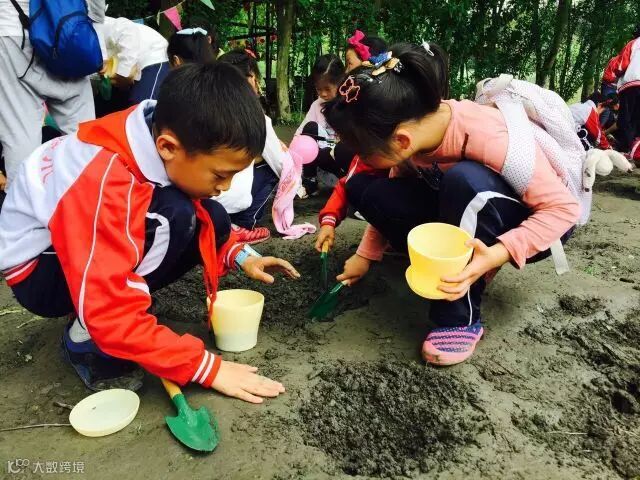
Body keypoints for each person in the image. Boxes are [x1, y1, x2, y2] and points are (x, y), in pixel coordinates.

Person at [0, 63, 300, 403]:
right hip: (39, 272)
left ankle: (120, 308)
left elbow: (205, 216)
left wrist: (239, 254)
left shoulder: (158, 127)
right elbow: (108, 302)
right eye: (220, 175)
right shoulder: (105, 180)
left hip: (70, 246)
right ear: (168, 146)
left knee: (211, 214)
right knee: (175, 216)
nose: (226, 187)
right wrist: (206, 367)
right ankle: (85, 336)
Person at [323, 42, 580, 366]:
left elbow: (563, 210)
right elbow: (396, 187)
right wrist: (365, 255)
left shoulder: (490, 135)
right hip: (459, 204)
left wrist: (496, 254)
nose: (359, 157)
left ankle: (458, 316)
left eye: (362, 150)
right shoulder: (410, 136)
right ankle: (436, 259)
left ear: (401, 140)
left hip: (531, 221)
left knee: (464, 181)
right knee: (365, 188)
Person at [0, 0, 104, 188]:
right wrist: (98, 42)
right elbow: (96, 5)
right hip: (67, 33)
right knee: (84, 134)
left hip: (13, 31)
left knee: (20, 135)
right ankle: (89, 194)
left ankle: (22, 200)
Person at [217, 49, 292, 243]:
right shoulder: (256, 118)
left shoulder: (207, 109)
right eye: (255, 78)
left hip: (201, 197)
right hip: (230, 199)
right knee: (273, 166)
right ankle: (244, 223)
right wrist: (296, 186)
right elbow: (281, 164)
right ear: (250, 78)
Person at [295, 54, 354, 197]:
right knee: (310, 128)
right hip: (323, 161)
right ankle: (310, 181)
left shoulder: (350, 103)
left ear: (341, 82)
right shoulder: (317, 105)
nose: (323, 94)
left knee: (343, 149)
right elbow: (300, 136)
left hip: (343, 163)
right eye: (318, 89)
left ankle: (348, 186)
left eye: (327, 89)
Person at [95, 16, 170, 105]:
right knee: (102, 105)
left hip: (151, 56)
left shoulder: (93, 24)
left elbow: (127, 29)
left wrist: (123, 73)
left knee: (141, 105)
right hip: (120, 69)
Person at [612, 24, 640, 158]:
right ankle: (635, 149)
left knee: (625, 117)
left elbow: (620, 65)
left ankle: (624, 147)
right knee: (637, 118)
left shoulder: (633, 43)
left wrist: (616, 75)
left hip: (631, 83)